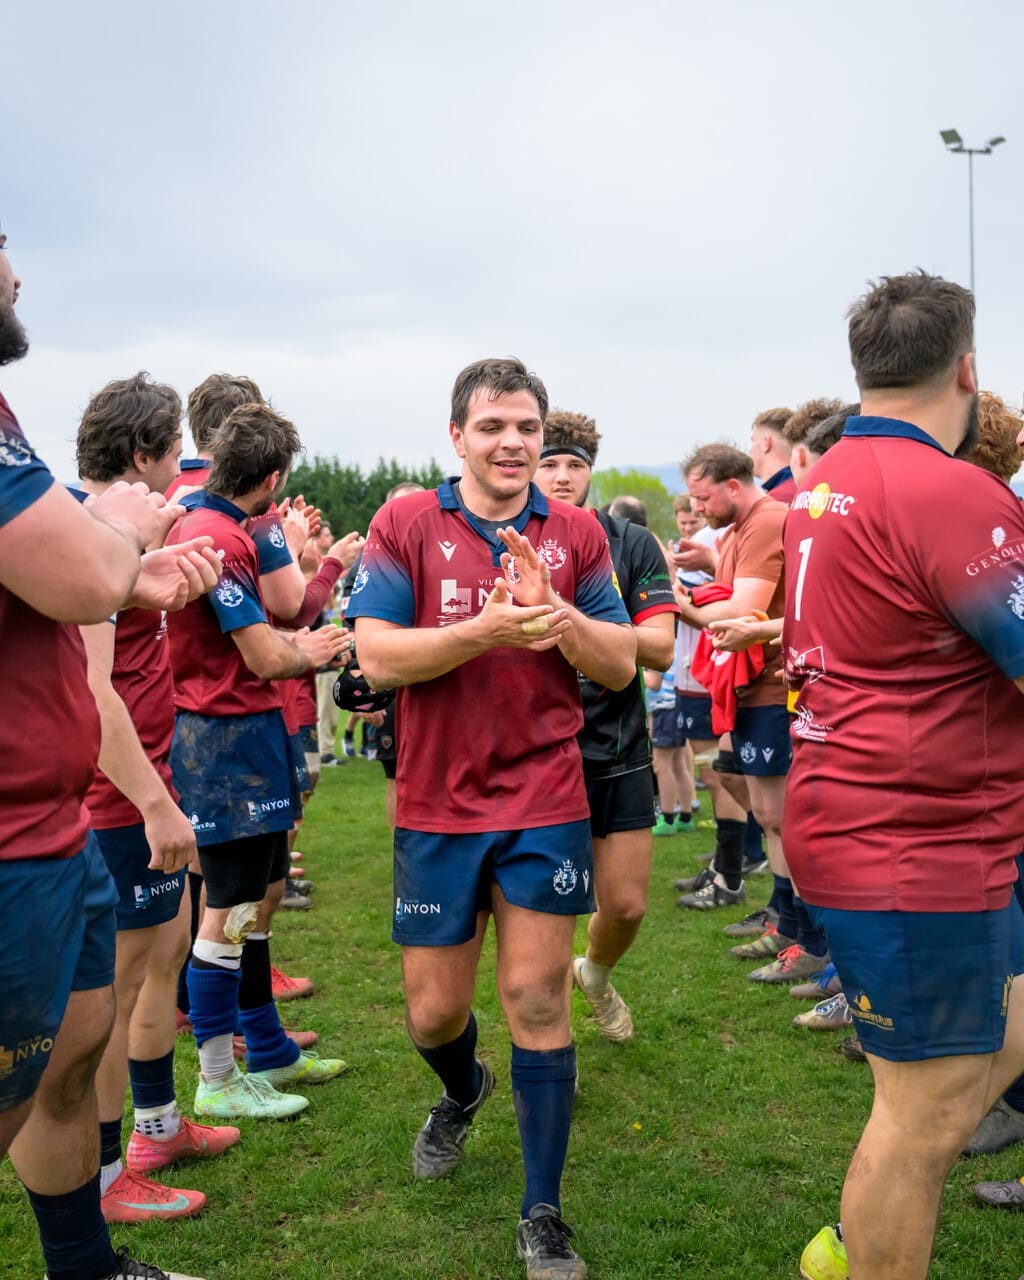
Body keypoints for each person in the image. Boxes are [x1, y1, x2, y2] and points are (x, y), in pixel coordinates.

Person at [349, 358, 635, 1280]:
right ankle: (463, 1087)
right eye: (493, 428)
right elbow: (379, 660)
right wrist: (484, 629)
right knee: (434, 1014)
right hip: (436, 800)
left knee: (538, 999)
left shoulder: (579, 531)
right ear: (458, 438)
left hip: (546, 797)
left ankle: (542, 1213)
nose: (513, 444)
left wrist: (555, 617)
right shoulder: (407, 522)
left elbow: (623, 664)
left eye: (527, 429)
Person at [785, 271, 1024, 1280]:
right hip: (916, 840)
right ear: (964, 367)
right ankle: (862, 1244)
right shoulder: (948, 489)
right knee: (920, 1120)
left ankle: (856, 1239)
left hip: (874, 818)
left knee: (998, 1042)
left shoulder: (824, 477)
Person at [0, 228, 214, 1280]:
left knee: (79, 1041)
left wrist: (125, 561)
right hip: (36, 829)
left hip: (54, 821)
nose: (17, 269)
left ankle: (86, 1262)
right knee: (62, 1045)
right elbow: (79, 591)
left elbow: (70, 581)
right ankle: (132, 1164)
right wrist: (111, 534)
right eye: (1, 244)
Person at [74, 374, 240, 1224]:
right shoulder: (97, 532)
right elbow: (91, 690)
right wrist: (151, 803)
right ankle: (108, 1178)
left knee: (163, 958)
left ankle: (158, 1125)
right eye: (175, 449)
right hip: (115, 802)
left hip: (146, 785)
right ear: (142, 455)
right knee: (109, 994)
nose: (183, 466)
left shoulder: (130, 536)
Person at [166, 402, 350, 1121]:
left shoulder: (223, 526)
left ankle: (267, 1046)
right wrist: (314, 647)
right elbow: (266, 651)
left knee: (263, 897)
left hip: (250, 736)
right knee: (230, 907)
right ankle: (217, 1076)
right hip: (224, 743)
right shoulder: (215, 537)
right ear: (272, 479)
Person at [534, 412, 676, 1042]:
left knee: (625, 906)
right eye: (550, 463)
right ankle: (551, 1057)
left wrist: (572, 625)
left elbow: (661, 648)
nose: (562, 478)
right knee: (549, 914)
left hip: (617, 744)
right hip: (539, 748)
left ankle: (593, 973)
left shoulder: (631, 543)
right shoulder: (505, 540)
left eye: (575, 465)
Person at [749, 406, 797, 503]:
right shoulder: (805, 489)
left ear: (766, 444)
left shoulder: (776, 500)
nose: (750, 450)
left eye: (753, 441)